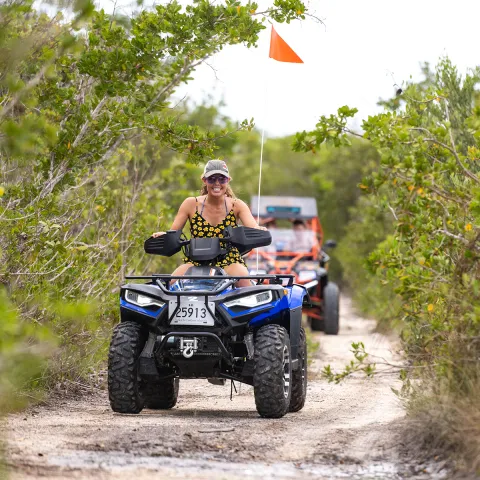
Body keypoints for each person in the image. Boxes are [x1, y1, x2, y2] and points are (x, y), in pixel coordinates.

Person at [152, 159, 266, 287]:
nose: (217, 183)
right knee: (166, 286)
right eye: (212, 179)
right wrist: (164, 236)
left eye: (221, 179)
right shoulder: (191, 204)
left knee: (244, 282)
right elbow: (174, 233)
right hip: (196, 262)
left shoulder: (237, 205)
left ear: (228, 180)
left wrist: (259, 230)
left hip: (229, 261)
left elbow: (253, 229)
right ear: (204, 180)